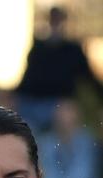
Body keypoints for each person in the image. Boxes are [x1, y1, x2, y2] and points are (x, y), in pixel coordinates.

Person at [15, 6, 103, 134]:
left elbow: (89, 78)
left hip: (59, 104)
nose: (56, 25)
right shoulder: (38, 49)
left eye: (59, 21)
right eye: (53, 21)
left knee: (65, 114)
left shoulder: (73, 51)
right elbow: (27, 79)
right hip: (32, 103)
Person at [38, 100, 99, 178]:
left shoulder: (88, 143)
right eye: (61, 118)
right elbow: (47, 175)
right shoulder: (46, 143)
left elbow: (92, 174)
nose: (65, 122)